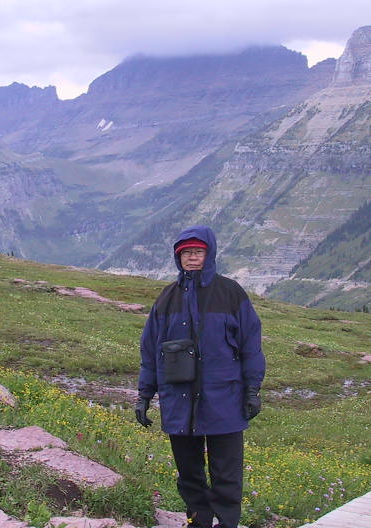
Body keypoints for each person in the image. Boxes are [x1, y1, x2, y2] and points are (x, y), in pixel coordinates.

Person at [136, 225, 266, 528]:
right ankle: (199, 521)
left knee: (226, 471)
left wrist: (252, 389)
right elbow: (150, 351)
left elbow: (251, 345)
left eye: (198, 252)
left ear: (209, 254)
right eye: (186, 253)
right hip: (178, 398)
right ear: (178, 257)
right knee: (189, 472)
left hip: (224, 396)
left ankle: (227, 523)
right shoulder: (166, 299)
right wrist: (144, 395)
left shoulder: (231, 293)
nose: (192, 258)